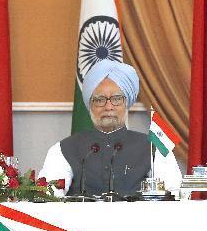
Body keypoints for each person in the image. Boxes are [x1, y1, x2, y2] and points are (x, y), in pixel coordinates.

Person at [40, 60, 182, 197]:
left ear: (126, 103)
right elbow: (49, 197)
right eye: (100, 100)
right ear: (90, 105)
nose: (108, 107)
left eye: (116, 98)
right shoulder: (64, 149)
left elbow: (173, 196)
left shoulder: (154, 148)